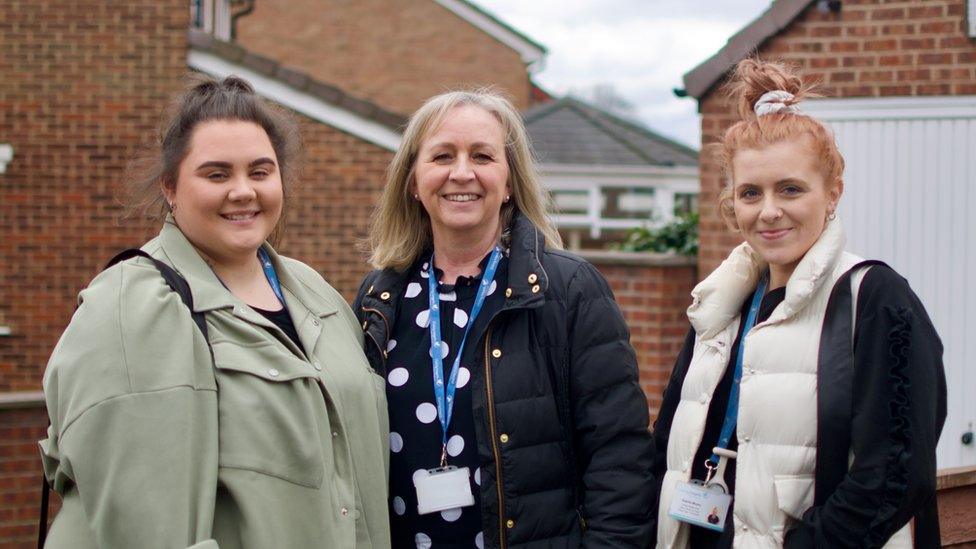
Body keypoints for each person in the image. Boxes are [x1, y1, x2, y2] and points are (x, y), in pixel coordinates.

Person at [39, 75, 390, 548]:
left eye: (260, 171)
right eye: (217, 174)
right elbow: (145, 528)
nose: (243, 191)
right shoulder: (133, 306)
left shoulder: (313, 290)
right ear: (170, 186)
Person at [650, 58, 946, 549]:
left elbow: (894, 475)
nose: (769, 211)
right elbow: (668, 450)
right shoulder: (718, 307)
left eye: (790, 188)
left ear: (833, 194)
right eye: (750, 193)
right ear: (733, 204)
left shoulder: (876, 299)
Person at [354, 89, 655, 548]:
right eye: (441, 156)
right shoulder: (380, 298)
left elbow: (619, 458)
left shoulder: (569, 291)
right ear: (413, 180)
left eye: (482, 155)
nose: (461, 172)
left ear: (510, 180)